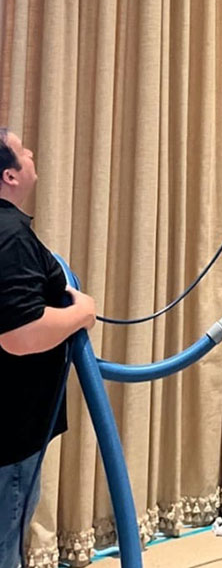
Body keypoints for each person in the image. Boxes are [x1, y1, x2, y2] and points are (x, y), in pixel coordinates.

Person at [0, 128, 96, 568]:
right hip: (11, 434)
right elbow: (21, 334)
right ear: (9, 175)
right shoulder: (12, 235)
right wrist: (82, 312)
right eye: (24, 152)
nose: (33, 153)